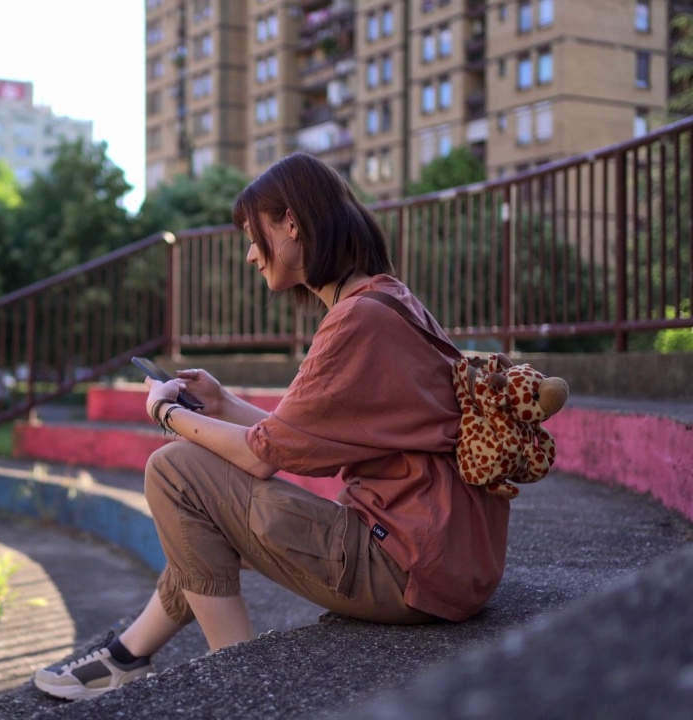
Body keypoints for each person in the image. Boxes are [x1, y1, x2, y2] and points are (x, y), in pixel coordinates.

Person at [33, 153, 510, 700]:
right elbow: (294, 441)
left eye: (254, 235)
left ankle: (241, 685)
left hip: (405, 570)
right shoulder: (385, 300)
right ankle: (127, 656)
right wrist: (223, 403)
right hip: (448, 561)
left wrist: (169, 414)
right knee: (200, 510)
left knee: (175, 471)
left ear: (292, 223)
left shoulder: (357, 320)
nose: (249, 254)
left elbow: (263, 456)